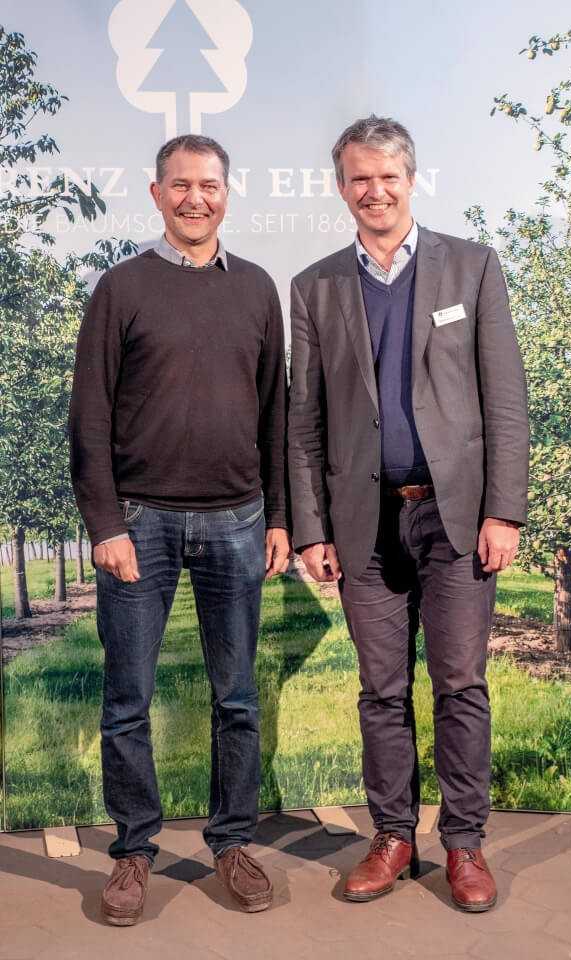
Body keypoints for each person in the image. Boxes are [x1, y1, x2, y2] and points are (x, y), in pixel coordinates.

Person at [287, 115, 529, 911]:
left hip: (457, 518)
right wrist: (313, 528)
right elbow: (305, 421)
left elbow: (506, 399)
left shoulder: (472, 266)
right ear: (341, 187)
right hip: (364, 523)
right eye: (359, 177)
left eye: (387, 176)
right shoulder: (315, 286)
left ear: (411, 180)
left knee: (460, 684)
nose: (375, 190)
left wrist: (505, 511)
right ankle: (393, 837)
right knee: (380, 690)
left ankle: (463, 845)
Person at [69, 134, 290, 923]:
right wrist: (105, 522)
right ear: (156, 193)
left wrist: (281, 517)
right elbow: (89, 415)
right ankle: (134, 850)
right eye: (181, 185)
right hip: (141, 523)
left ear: (227, 193)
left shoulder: (257, 288)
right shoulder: (121, 287)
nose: (197, 198)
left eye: (210, 185)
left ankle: (232, 842)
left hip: (239, 519)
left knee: (238, 698)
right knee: (128, 698)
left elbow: (276, 412)